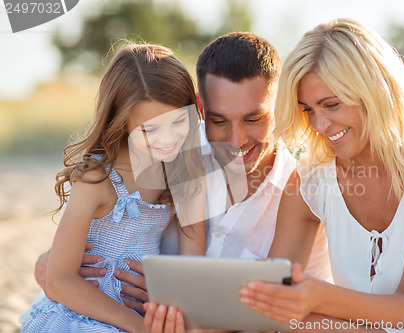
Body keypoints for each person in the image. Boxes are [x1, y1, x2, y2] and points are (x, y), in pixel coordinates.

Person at [32, 33, 333, 331]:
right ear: (201, 109)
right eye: (219, 121)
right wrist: (50, 265)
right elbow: (64, 268)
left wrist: (175, 299)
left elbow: (265, 309)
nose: (236, 140)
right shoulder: (171, 155)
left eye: (253, 119)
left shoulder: (304, 189)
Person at [238, 18, 404, 332]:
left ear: (375, 91)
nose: (319, 125)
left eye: (331, 105)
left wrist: (316, 298)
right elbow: (271, 300)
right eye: (307, 109)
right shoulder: (311, 181)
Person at [20, 43, 206, 333]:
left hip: (146, 319)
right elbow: (59, 279)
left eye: (178, 122)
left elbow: (194, 271)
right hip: (82, 317)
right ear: (122, 121)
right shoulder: (98, 178)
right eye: (150, 129)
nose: (168, 139)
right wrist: (138, 327)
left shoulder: (184, 177)